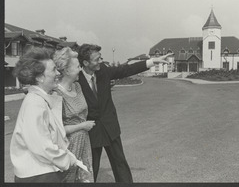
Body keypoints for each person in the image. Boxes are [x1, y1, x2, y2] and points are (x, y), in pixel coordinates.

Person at [77, 43, 171, 182]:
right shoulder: (76, 78)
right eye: (97, 59)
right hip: (92, 131)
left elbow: (126, 70)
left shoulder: (103, 70)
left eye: (100, 58)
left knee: (120, 165)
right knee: (91, 169)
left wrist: (152, 62)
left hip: (110, 127)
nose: (101, 61)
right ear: (85, 62)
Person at [10, 48, 77, 183]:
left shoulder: (39, 100)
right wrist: (67, 159)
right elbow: (42, 146)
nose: (58, 73)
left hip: (41, 173)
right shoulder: (34, 104)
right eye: (53, 70)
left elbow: (51, 136)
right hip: (38, 176)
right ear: (40, 77)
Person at [53, 47, 95, 183]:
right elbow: (57, 130)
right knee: (68, 180)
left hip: (84, 142)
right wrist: (82, 125)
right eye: (77, 66)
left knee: (86, 179)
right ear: (66, 70)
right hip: (69, 147)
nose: (80, 70)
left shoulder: (77, 86)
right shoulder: (56, 94)